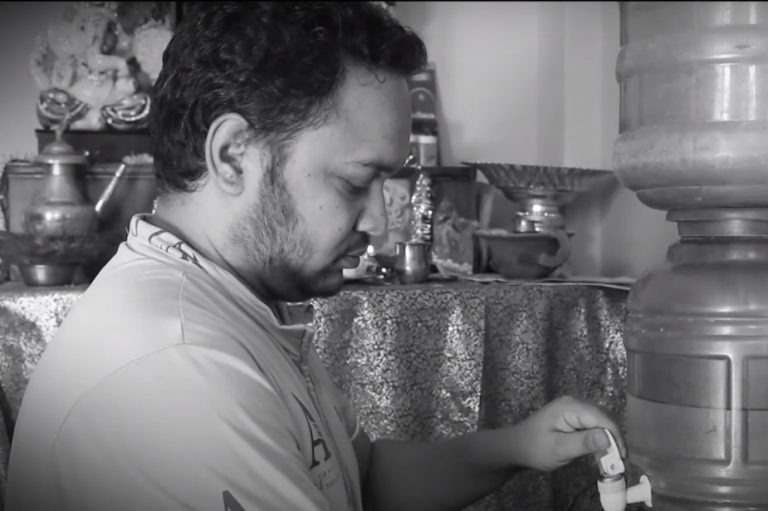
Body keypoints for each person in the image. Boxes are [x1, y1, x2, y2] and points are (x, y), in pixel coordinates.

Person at [6, 3, 626, 510]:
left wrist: (516, 446)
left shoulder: (232, 298)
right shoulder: (179, 366)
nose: (380, 222)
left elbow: (364, 479)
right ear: (233, 155)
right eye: (355, 182)